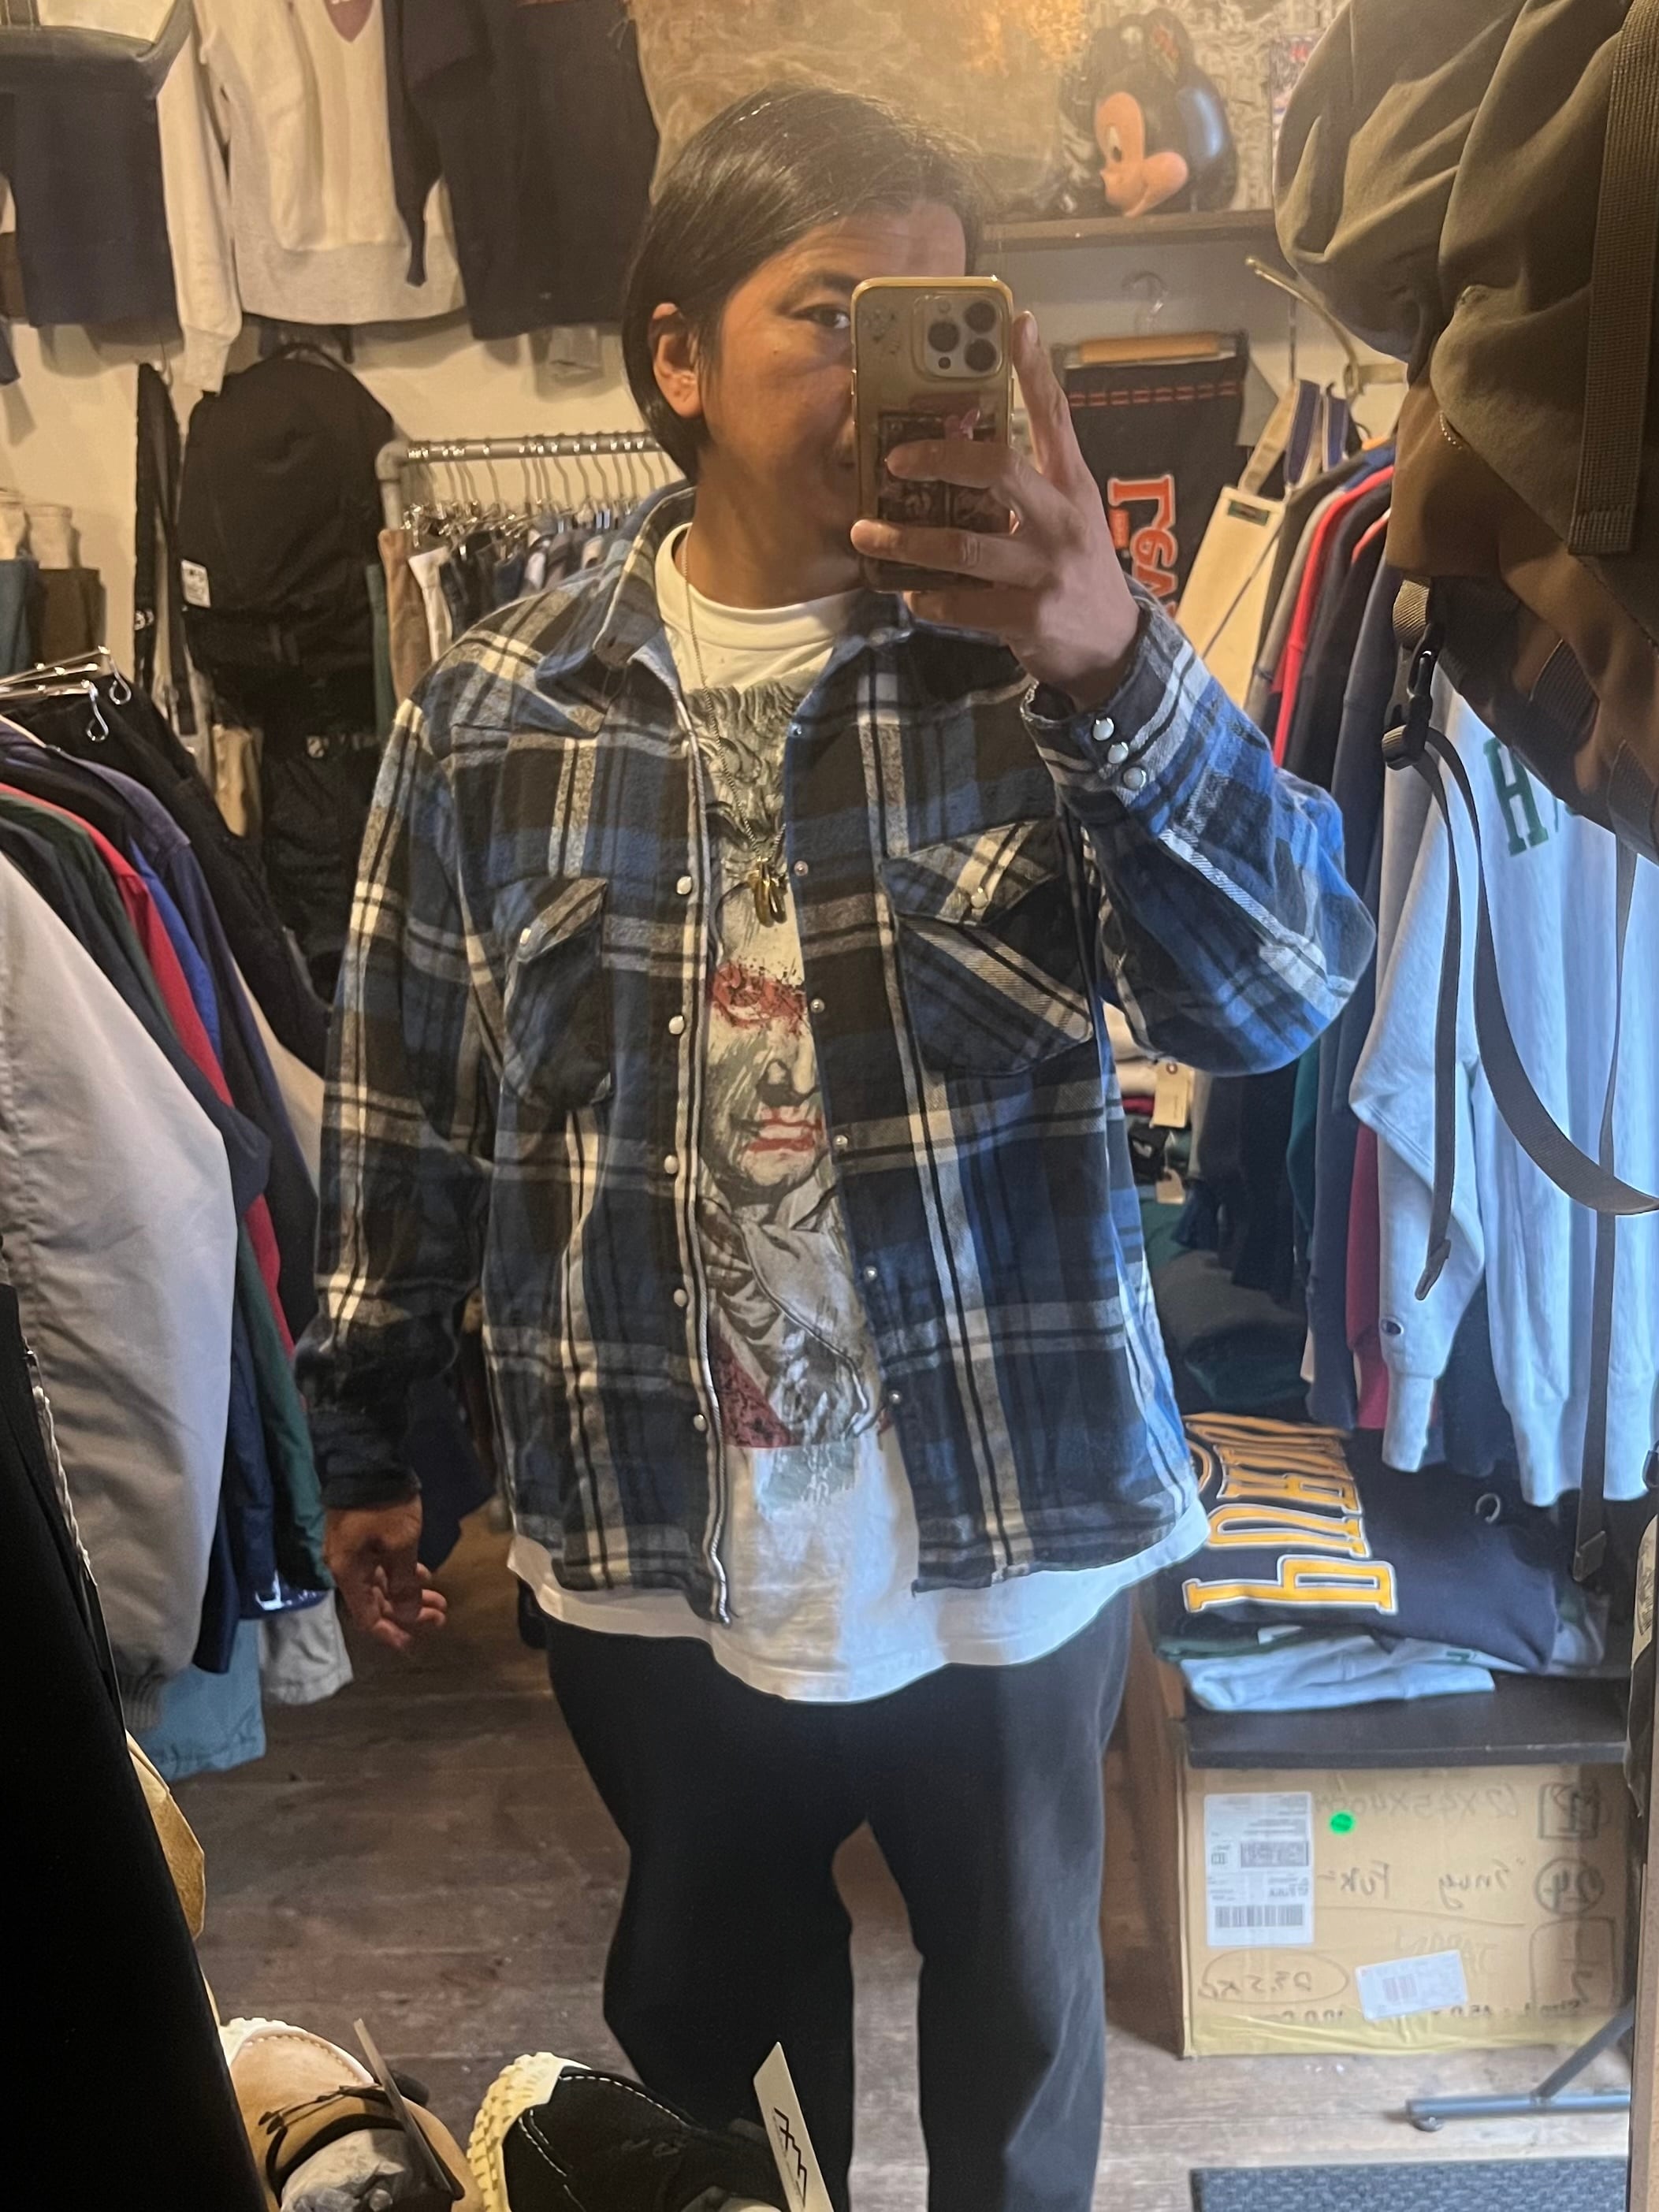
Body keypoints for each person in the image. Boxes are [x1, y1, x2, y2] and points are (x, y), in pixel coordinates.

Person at [302, 85, 1372, 2212]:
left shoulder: (1046, 669)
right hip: (651, 1546)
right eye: (830, 314)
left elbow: (1276, 998)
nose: (888, 372)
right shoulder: (494, 707)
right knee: (716, 2048)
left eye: (936, 317)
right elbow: (405, 1093)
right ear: (677, 355)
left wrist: (1109, 661)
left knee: (1020, 2048)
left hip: (1017, 1531)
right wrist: (367, 1435)